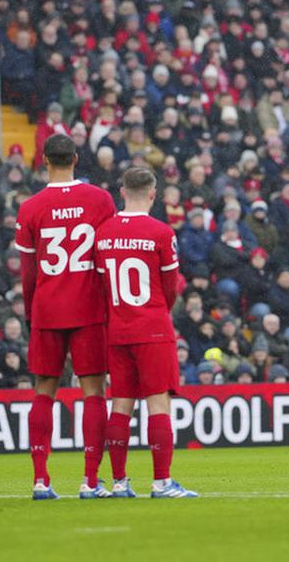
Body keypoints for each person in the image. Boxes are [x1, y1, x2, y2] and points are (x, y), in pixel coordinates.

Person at [13, 134, 117, 499]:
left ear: (44, 161)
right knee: (93, 393)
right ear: (75, 158)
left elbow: (27, 272)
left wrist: (30, 312)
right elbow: (107, 257)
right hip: (89, 308)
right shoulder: (100, 200)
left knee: (44, 392)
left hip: (47, 308)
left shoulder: (30, 208)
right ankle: (90, 481)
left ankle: (41, 480)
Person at [94, 167, 198, 498]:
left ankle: (120, 482)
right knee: (158, 405)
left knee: (121, 405)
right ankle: (162, 482)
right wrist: (156, 311)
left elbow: (100, 285)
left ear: (121, 192)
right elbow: (170, 289)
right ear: (153, 194)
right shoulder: (161, 233)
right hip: (152, 327)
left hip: (118, 329)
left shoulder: (104, 232)